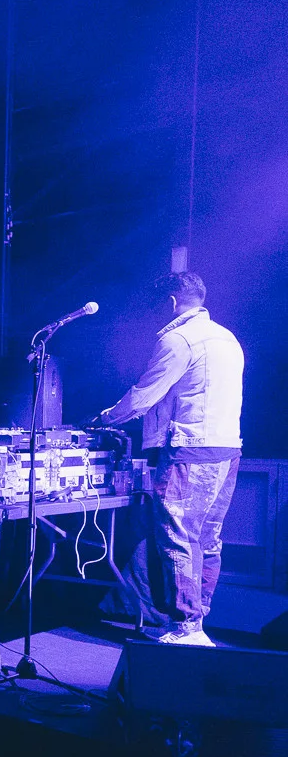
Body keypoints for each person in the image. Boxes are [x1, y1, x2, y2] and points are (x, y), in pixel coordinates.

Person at [96, 271, 244, 646]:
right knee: (207, 540)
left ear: (171, 302)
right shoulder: (228, 338)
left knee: (177, 538)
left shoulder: (178, 340)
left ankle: (186, 627)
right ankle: (198, 621)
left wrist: (104, 419)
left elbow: (143, 397)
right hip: (228, 450)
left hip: (189, 453)